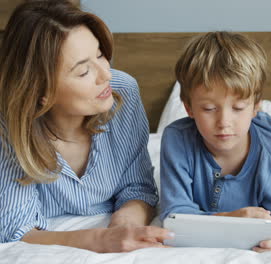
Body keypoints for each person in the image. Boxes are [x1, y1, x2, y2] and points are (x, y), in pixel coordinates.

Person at [0, 0, 173, 252]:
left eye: (100, 55)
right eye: (83, 72)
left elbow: (138, 187)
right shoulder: (9, 124)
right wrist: (99, 240)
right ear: (40, 91)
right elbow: (17, 228)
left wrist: (123, 227)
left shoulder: (121, 92)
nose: (106, 75)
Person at [159, 31, 271, 251]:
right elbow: (174, 217)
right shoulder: (177, 139)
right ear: (188, 107)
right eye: (209, 109)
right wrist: (232, 218)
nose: (224, 122)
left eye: (239, 108)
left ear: (256, 105)